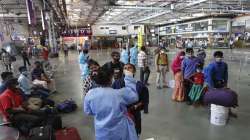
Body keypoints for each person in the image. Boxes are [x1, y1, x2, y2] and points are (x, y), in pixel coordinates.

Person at [84, 67, 138, 140]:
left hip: (101, 132)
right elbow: (133, 96)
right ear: (111, 80)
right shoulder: (118, 94)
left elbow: (88, 111)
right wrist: (129, 77)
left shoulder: (90, 94)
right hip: (119, 131)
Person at [112, 63, 149, 136]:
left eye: (129, 68)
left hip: (134, 113)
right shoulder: (117, 83)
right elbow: (112, 97)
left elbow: (144, 100)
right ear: (123, 71)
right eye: (125, 68)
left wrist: (136, 106)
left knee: (134, 132)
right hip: (120, 113)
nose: (127, 69)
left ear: (134, 71)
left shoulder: (140, 85)